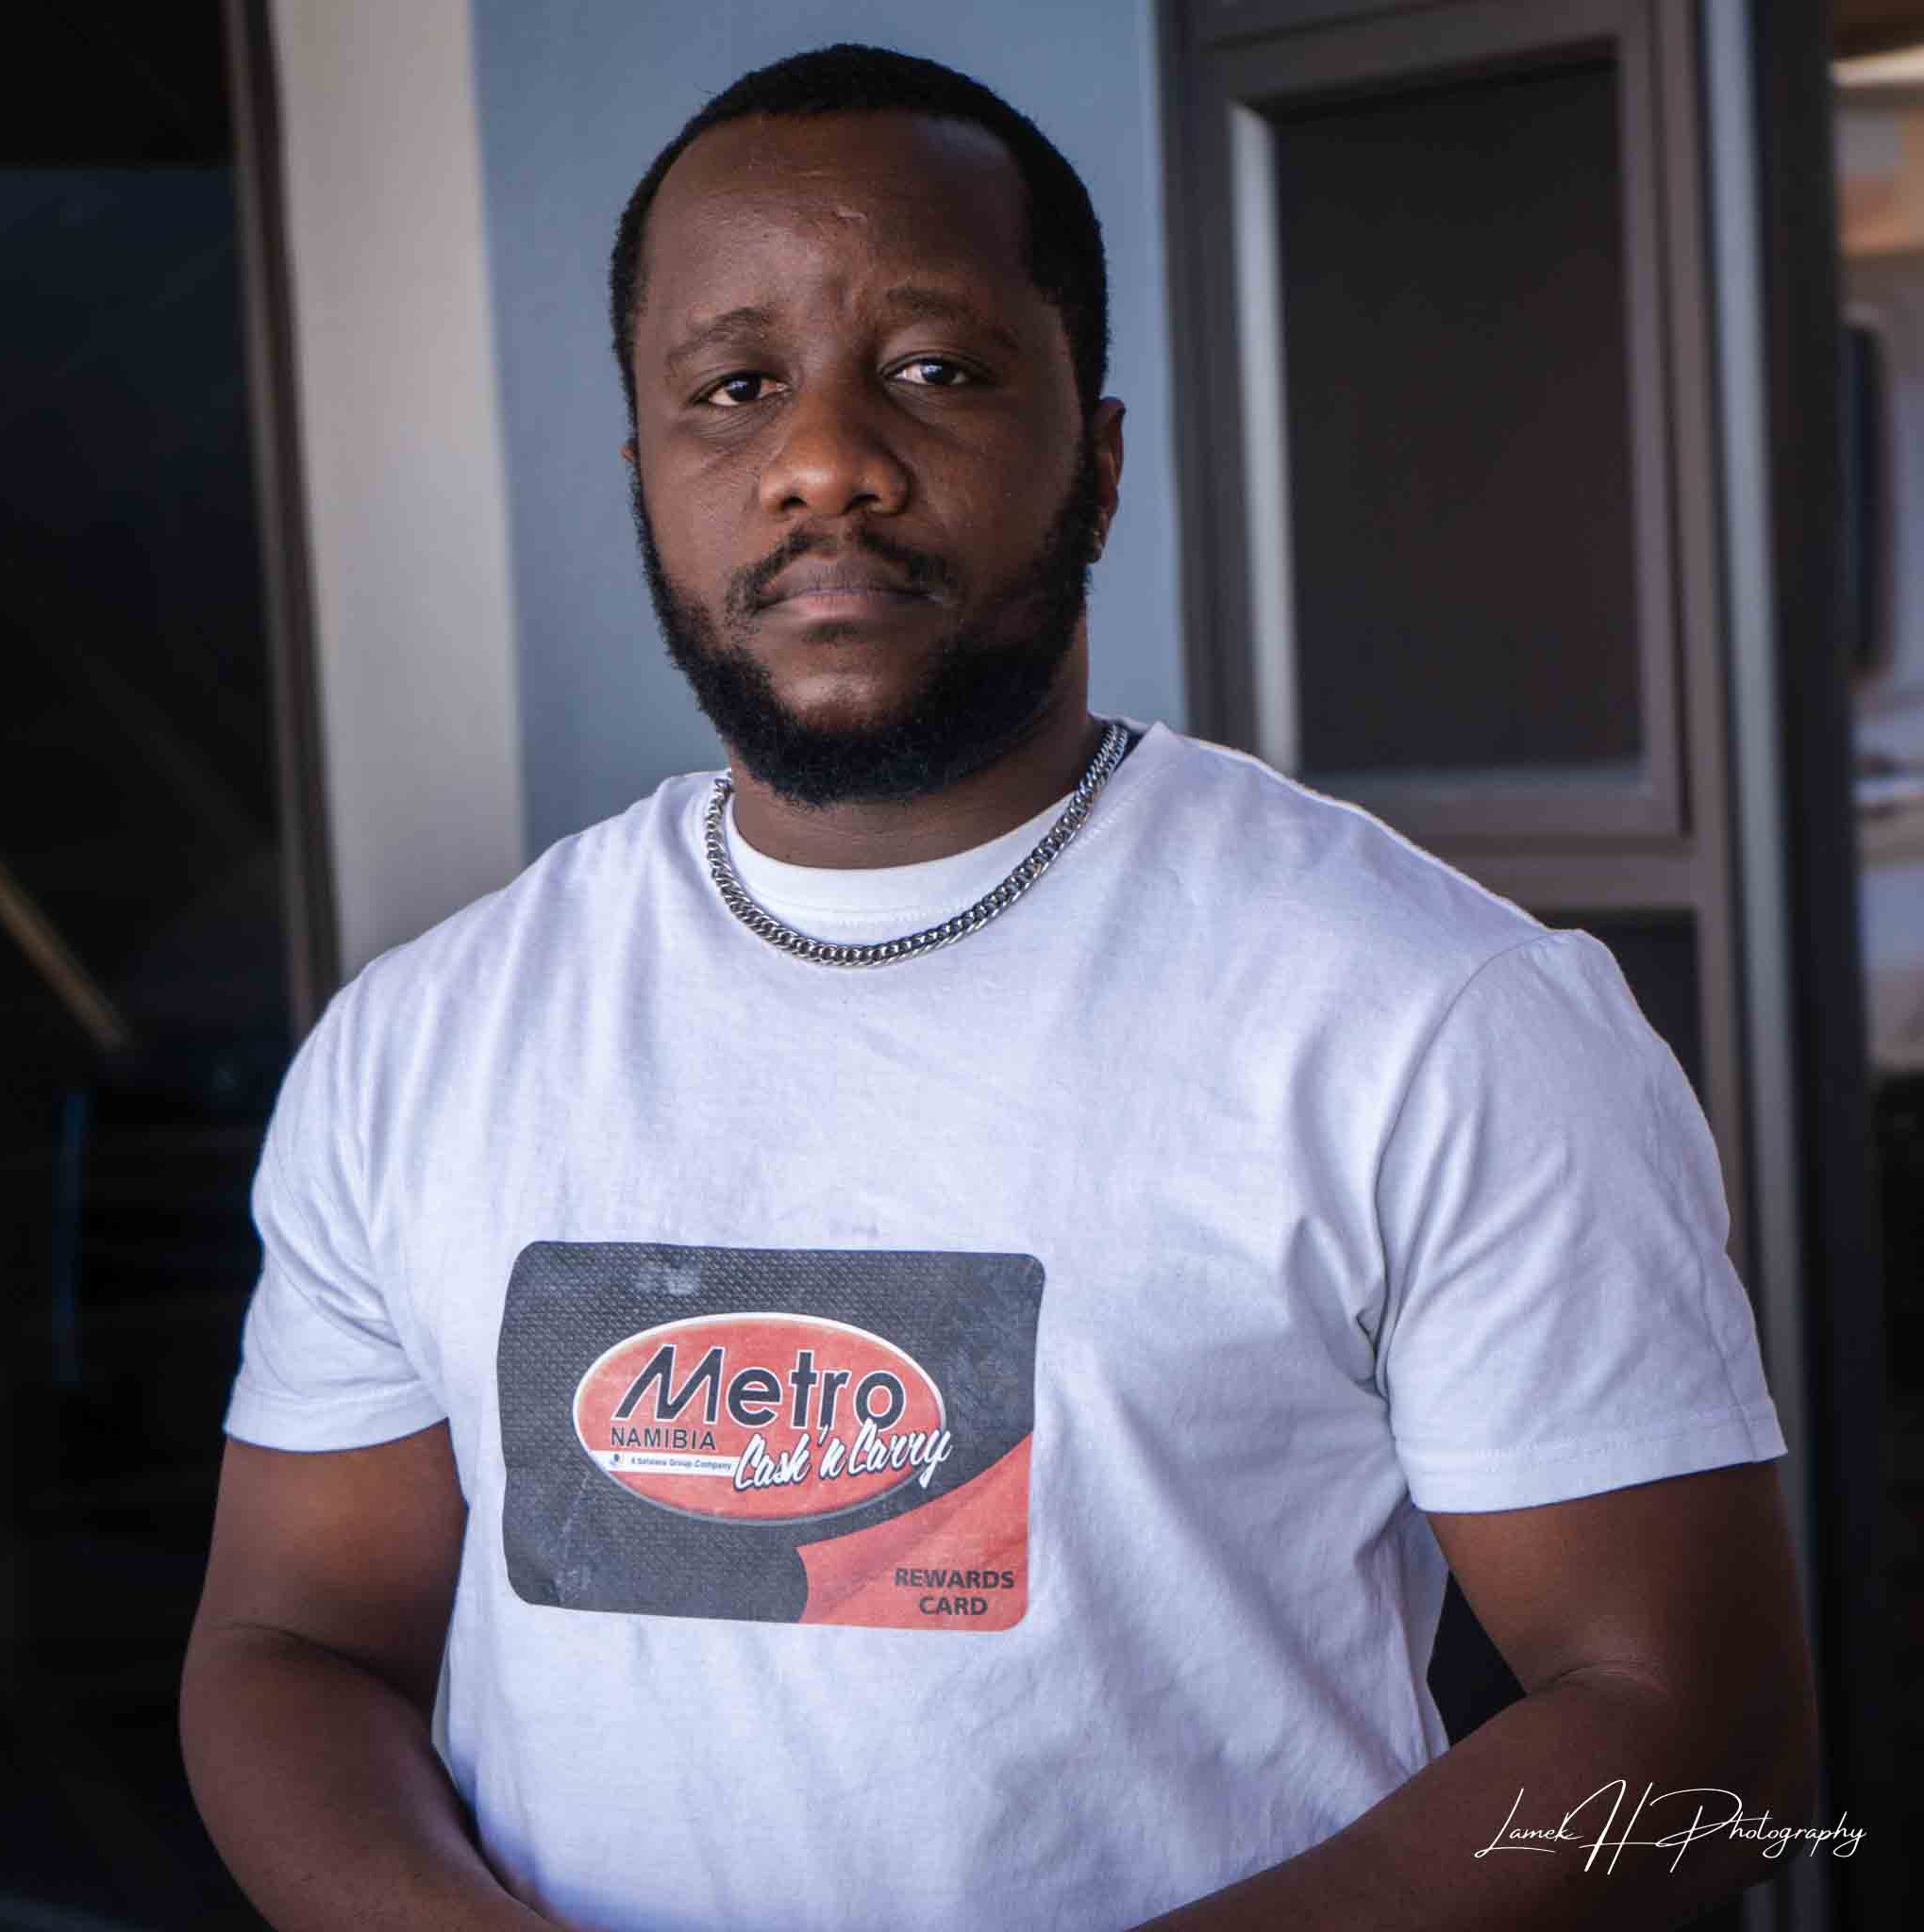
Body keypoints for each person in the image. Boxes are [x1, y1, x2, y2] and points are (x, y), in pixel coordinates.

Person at [181, 43, 1816, 1932]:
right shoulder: (421, 1045)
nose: (823, 460)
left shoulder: (1434, 1018)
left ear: (1097, 459)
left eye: (936, 370)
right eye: (732, 389)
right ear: (647, 480)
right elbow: (295, 1640)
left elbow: (1699, 1732)